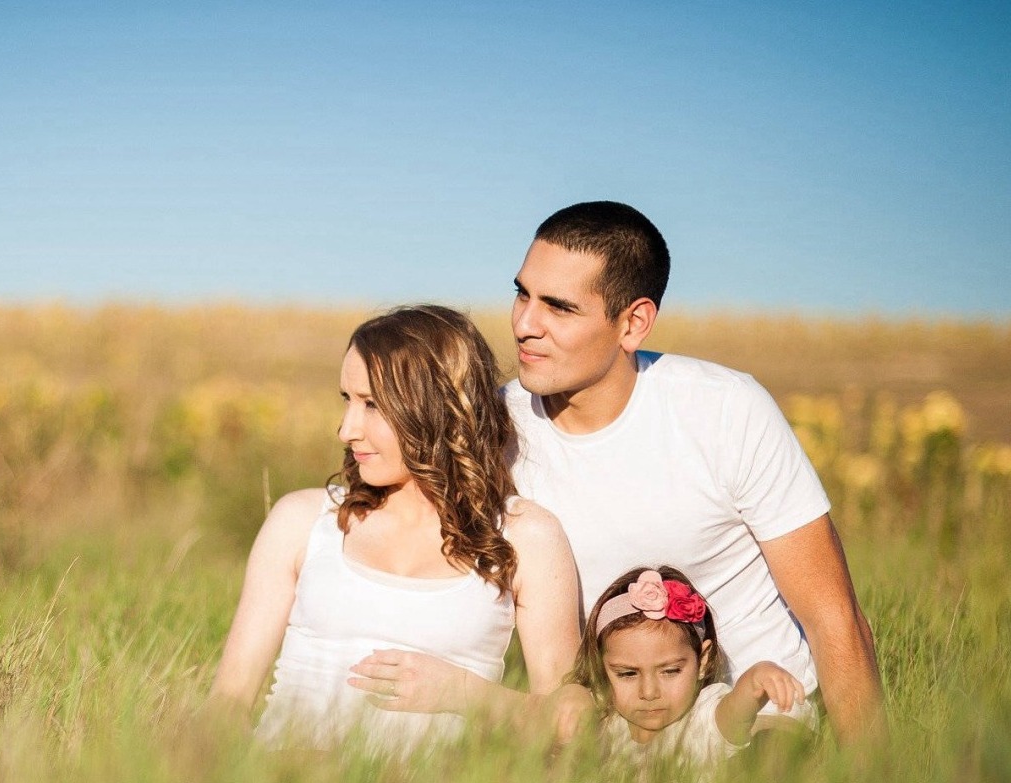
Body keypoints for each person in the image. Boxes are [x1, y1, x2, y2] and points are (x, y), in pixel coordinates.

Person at [352, 201, 883, 747]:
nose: (525, 325)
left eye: (559, 308)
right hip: (607, 731)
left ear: (632, 323)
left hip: (755, 723)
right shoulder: (493, 428)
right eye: (522, 294)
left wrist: (874, 775)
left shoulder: (726, 410)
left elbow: (833, 617)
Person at [207, 304, 579, 756]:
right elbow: (226, 705)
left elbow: (571, 724)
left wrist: (465, 694)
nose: (347, 429)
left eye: (372, 405)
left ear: (438, 406)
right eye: (347, 400)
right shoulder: (302, 521)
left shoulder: (525, 536)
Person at [569, 565, 806, 783]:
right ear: (601, 667)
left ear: (702, 661)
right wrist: (569, 697)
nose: (649, 692)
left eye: (670, 671)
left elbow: (735, 712)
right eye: (628, 673)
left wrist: (756, 679)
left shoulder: (703, 720)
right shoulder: (605, 723)